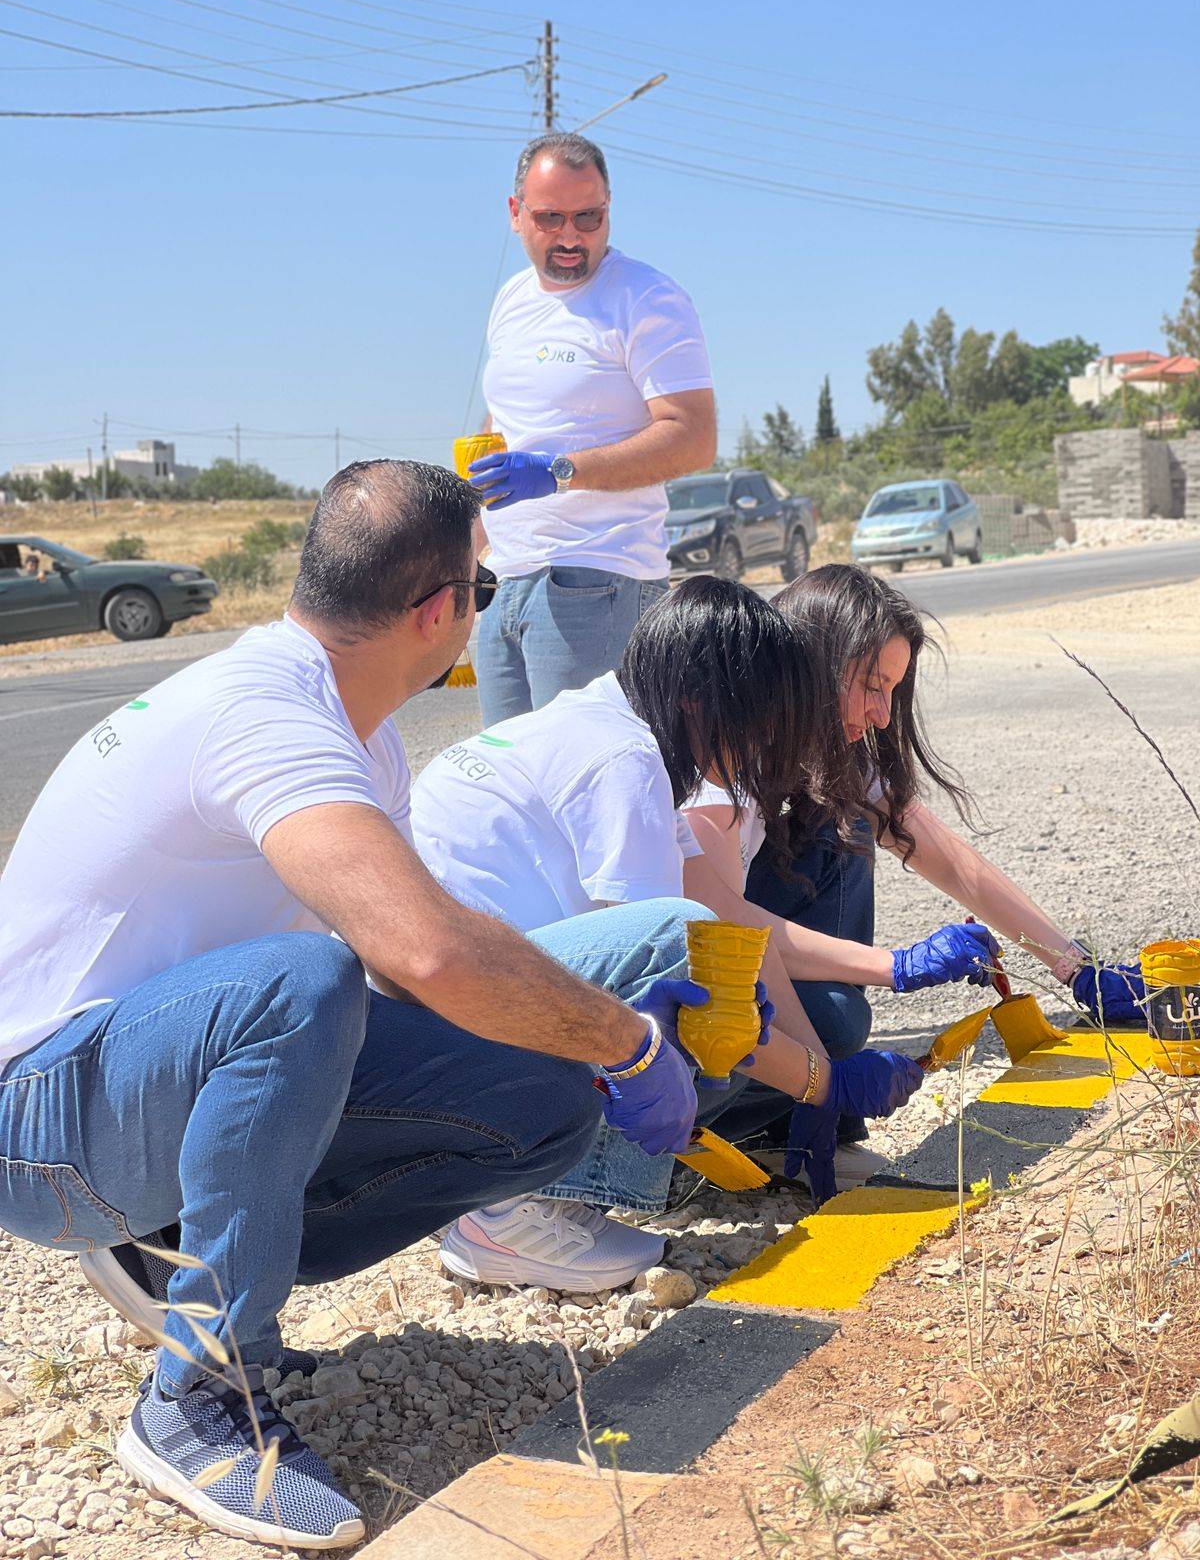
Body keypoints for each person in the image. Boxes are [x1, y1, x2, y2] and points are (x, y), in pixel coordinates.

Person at [0, 460, 713, 1551]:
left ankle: (192, 1251)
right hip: (39, 1120)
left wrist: (574, 1039)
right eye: (483, 590)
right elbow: (421, 949)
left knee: (540, 1100)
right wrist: (628, 1041)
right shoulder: (266, 714)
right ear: (440, 611)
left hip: (134, 1083)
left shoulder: (359, 733)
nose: (481, 613)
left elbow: (421, 962)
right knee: (301, 987)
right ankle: (201, 1393)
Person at [411, 576, 923, 1287]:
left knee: (710, 974)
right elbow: (682, 968)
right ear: (701, 699)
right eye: (758, 721)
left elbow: (732, 923)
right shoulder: (623, 761)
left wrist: (818, 1077)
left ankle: (523, 1181)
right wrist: (824, 1083)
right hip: (460, 1049)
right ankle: (514, 1207)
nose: (762, 746)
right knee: (688, 1008)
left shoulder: (600, 721)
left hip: (431, 1018)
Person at [681, 563, 1147, 1192]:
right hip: (689, 1003)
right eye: (871, 686)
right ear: (815, 664)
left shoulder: (829, 756)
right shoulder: (723, 766)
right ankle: (735, 1129)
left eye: (892, 692)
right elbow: (721, 928)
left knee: (845, 821)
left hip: (747, 970)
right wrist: (892, 972)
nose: (881, 715)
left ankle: (795, 1117)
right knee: (839, 1021)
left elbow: (949, 858)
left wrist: (1075, 968)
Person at [466, 131, 717, 725]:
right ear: (515, 213)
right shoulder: (512, 301)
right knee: (512, 775)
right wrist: (465, 543)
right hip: (505, 580)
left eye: (588, 217)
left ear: (609, 208)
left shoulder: (646, 298)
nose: (571, 236)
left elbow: (693, 437)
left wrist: (558, 473)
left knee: (582, 773)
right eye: (550, 218)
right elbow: (505, 419)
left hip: (599, 579)